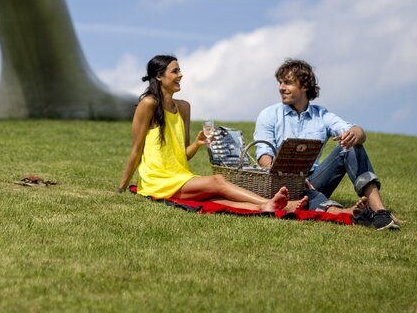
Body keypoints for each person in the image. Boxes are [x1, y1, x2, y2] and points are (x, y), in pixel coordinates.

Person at [118, 55, 306, 213]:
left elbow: (183, 155)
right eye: (175, 71)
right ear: (159, 76)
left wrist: (198, 143)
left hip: (180, 176)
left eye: (179, 70)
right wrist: (122, 187)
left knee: (215, 196)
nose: (180, 75)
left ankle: (266, 206)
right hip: (157, 181)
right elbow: (136, 150)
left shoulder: (183, 107)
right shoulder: (148, 104)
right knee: (218, 181)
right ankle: (269, 202)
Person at [254, 58, 400, 230]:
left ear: (304, 86)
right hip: (282, 183)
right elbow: (263, 155)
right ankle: (348, 213)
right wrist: (287, 177)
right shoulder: (269, 115)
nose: (281, 87)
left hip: (314, 180)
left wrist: (354, 135)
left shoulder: (321, 115)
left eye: (288, 83)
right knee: (306, 194)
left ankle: (380, 212)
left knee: (351, 145)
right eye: (280, 82)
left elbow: (355, 130)